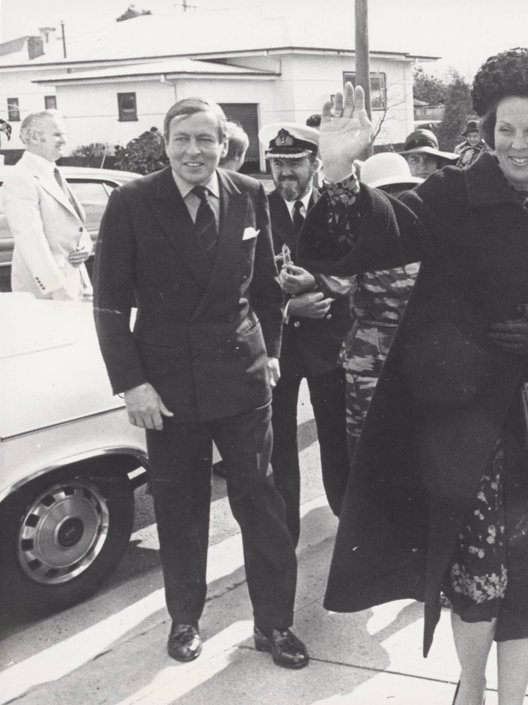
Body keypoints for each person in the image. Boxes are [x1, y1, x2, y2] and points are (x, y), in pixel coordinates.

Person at [300, 48, 528, 705]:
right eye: (506, 128)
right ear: (486, 128)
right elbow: (381, 232)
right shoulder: (450, 195)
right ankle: (471, 688)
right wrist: (338, 172)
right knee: (476, 573)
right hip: (464, 426)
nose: (519, 143)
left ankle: (514, 697)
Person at [92, 97, 308, 670]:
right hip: (167, 387)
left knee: (262, 503)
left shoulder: (249, 194)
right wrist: (132, 384)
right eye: (182, 139)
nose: (194, 151)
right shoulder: (133, 201)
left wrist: (273, 354)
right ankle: (186, 619)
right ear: (165, 143)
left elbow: (265, 290)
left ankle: (274, 625)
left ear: (223, 144)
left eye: (205, 140)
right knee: (181, 509)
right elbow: (109, 306)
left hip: (242, 376)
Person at [260, 122, 352, 532]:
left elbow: (355, 269)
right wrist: (287, 307)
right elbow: (240, 280)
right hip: (276, 348)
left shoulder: (337, 207)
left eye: (295, 163)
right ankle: (285, 534)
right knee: (278, 444)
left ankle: (347, 520)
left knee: (337, 438)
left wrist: (316, 283)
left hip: (330, 344)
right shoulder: (254, 208)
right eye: (278, 164)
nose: (285, 173)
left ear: (315, 164)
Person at [339, 151, 423, 457]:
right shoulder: (359, 239)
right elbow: (337, 283)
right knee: (367, 446)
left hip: (420, 353)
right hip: (370, 358)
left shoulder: (425, 233)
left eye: (400, 191)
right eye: (384, 193)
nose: (394, 199)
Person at [2, 110, 91, 300]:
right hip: (49, 293)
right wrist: (57, 289)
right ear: (35, 137)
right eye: (57, 134)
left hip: (75, 281)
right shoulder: (21, 177)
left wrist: (85, 246)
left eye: (64, 134)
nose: (64, 140)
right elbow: (30, 239)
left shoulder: (52, 172)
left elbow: (74, 225)